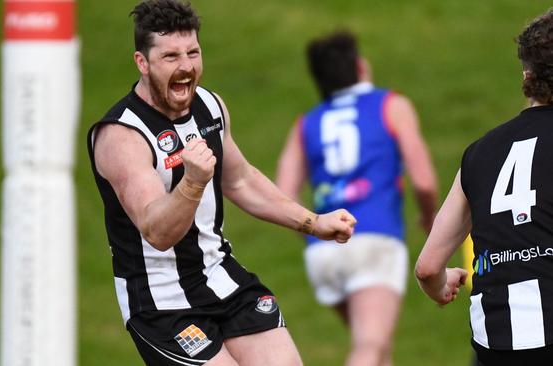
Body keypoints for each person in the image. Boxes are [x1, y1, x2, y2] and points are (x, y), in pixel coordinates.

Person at [86, 1, 357, 365]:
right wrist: (193, 181)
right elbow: (157, 231)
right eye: (170, 57)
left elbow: (241, 180)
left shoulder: (210, 107)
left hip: (219, 275)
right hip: (162, 302)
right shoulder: (122, 136)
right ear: (142, 63)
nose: (185, 67)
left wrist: (313, 222)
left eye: (193, 53)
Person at [276, 31, 438, 366]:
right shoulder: (391, 104)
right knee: (370, 346)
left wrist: (312, 232)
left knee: (379, 348)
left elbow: (283, 194)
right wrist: (429, 219)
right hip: (374, 239)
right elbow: (423, 180)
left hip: (323, 250)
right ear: (361, 66)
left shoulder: (306, 123)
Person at [415, 9, 553, 366]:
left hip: (498, 343)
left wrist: (440, 285)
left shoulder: (478, 154)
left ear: (526, 75)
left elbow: (428, 267)